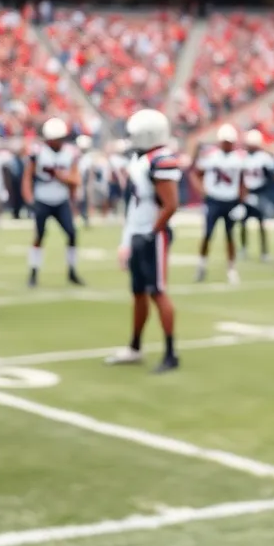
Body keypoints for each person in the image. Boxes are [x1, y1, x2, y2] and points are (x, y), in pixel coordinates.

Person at [105, 110, 181, 373]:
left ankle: (171, 353)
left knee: (157, 292)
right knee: (138, 292)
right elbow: (134, 206)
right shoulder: (142, 159)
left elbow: (170, 205)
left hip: (153, 234)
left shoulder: (161, 160)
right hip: (139, 232)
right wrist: (127, 240)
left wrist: (151, 233)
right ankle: (135, 347)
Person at [23, 117, 84, 288]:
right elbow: (27, 177)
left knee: (72, 234)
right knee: (39, 236)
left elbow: (76, 179)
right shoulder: (38, 152)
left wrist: (63, 179)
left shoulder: (70, 152)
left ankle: (72, 271)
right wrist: (29, 199)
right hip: (42, 199)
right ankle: (33, 272)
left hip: (61, 200)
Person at [192, 123, 244, 284]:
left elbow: (243, 182)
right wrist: (202, 190)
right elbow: (196, 174)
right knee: (207, 235)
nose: (227, 144)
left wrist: (241, 202)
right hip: (214, 199)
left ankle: (231, 269)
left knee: (230, 236)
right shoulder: (211, 156)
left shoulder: (238, 159)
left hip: (230, 200)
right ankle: (201, 266)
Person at [239, 129, 274, 262]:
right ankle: (243, 248)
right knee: (243, 222)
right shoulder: (243, 157)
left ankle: (264, 251)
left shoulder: (264, 158)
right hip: (246, 193)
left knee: (261, 223)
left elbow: (270, 177)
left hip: (259, 193)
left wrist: (262, 192)